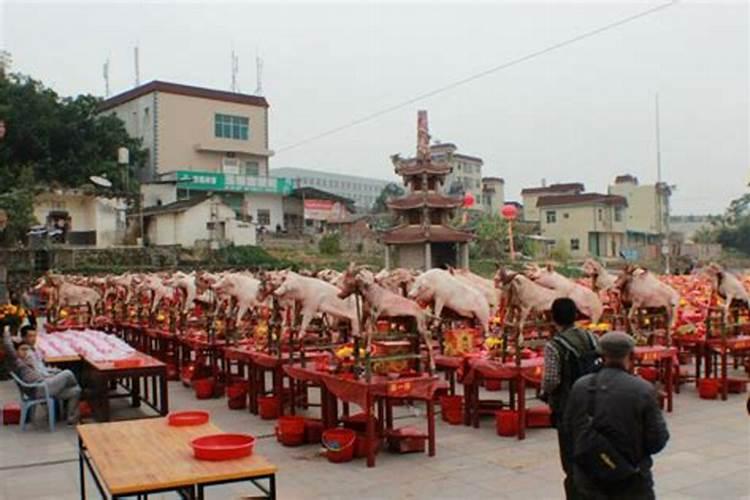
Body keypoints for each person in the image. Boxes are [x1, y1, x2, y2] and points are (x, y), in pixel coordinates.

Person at [564, 331, 670, 500]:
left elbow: (569, 429)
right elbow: (658, 440)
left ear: (601, 355)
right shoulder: (642, 390)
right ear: (632, 355)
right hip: (631, 478)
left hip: (589, 477)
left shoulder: (581, 386)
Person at [541, 297, 600, 500]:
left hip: (567, 410)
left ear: (553, 318)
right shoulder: (592, 337)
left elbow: (551, 379)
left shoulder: (554, 346)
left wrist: (544, 394)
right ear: (576, 316)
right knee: (593, 455)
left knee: (571, 461)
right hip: (594, 405)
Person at [2, 326, 81, 425]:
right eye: (22, 349)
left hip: (45, 385)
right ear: (16, 351)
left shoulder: (31, 355)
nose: (25, 352)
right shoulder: (16, 362)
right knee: (68, 373)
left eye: (27, 349)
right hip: (38, 388)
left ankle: (72, 420)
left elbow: (41, 369)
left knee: (76, 390)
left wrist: (53, 373)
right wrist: (6, 331)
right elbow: (8, 346)